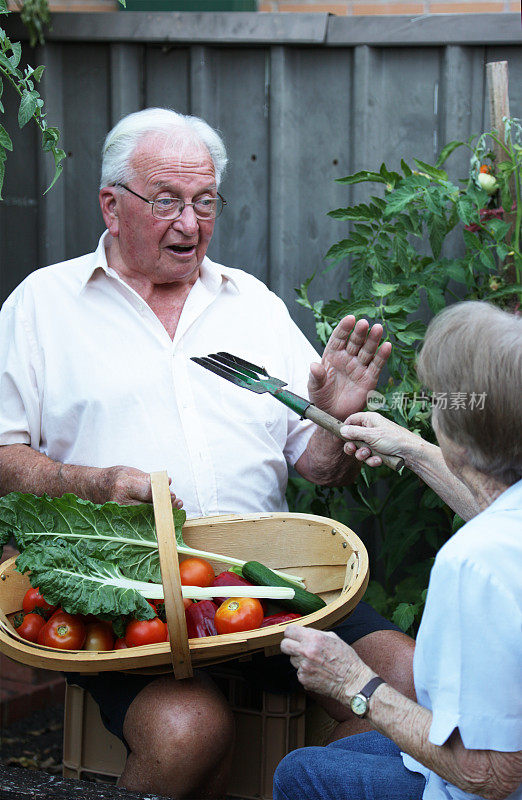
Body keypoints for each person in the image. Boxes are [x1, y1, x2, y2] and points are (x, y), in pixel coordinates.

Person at [0, 108, 415, 799]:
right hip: (124, 589)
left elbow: (317, 465)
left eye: (204, 202)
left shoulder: (249, 303)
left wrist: (336, 424)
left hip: (270, 576)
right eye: (166, 201)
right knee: (190, 730)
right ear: (112, 204)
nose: (189, 225)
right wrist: (93, 483)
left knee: (411, 685)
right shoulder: (44, 305)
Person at [273, 300, 522, 800]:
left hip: (485, 784)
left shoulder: (471, 562)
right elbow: (493, 503)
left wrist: (355, 683)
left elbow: (492, 775)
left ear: (458, 437)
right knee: (331, 759)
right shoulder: (505, 525)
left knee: (301, 775)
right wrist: (409, 445)